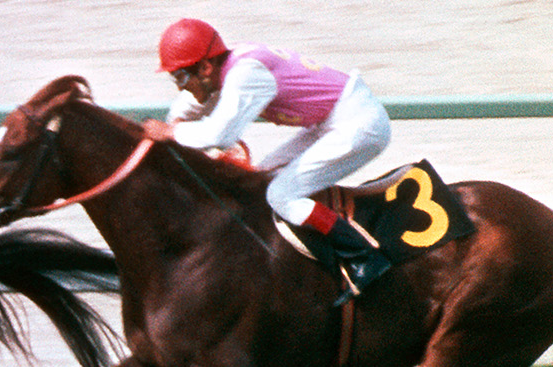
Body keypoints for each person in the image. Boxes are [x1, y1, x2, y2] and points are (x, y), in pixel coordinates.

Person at [140, 18, 394, 300]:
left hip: (359, 124)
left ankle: (363, 257)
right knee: (262, 179)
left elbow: (220, 134)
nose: (180, 87)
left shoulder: (247, 74)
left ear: (205, 67)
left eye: (180, 78)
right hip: (330, 120)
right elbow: (192, 104)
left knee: (281, 195)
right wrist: (173, 123)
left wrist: (172, 131)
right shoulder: (225, 64)